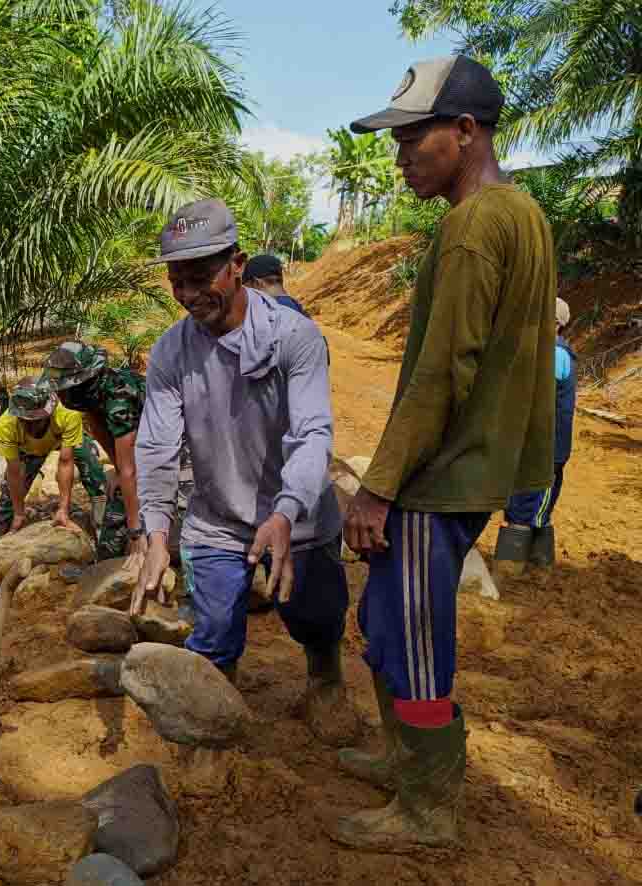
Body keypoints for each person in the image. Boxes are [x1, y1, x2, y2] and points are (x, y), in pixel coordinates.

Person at [333, 55, 557, 850]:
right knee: (387, 618)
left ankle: (428, 808)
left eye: (411, 139)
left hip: (439, 478)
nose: (399, 159)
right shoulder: (522, 210)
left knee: (416, 642)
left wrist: (376, 488)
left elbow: (439, 376)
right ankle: (403, 760)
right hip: (474, 466)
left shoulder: (470, 229)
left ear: (464, 132)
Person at [133, 198, 356, 744]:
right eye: (176, 281)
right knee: (212, 632)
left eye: (200, 277)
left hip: (296, 516)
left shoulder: (292, 336)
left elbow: (312, 435)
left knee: (316, 617)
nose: (188, 295)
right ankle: (214, 717)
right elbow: (157, 444)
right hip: (217, 517)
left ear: (238, 263)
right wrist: (155, 532)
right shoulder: (170, 352)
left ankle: (325, 680)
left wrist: (285, 511)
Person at [0, 378, 109, 559]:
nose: (32, 425)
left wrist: (63, 509)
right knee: (7, 498)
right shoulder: (6, 424)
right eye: (26, 420)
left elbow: (65, 461)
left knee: (92, 467)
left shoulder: (67, 412)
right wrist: (19, 512)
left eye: (37, 420)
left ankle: (103, 531)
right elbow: (14, 472)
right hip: (29, 451)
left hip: (63, 440)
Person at [42, 342, 146, 563]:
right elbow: (101, 431)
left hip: (174, 449)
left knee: (169, 512)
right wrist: (117, 470)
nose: (60, 395)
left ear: (82, 383)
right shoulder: (92, 397)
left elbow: (132, 471)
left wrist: (136, 532)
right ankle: (106, 563)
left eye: (63, 388)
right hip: (135, 451)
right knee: (112, 535)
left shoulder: (119, 398)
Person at [494, 297, 576, 577]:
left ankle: (509, 570)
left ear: (555, 325)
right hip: (543, 447)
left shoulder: (554, 355)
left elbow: (531, 396)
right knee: (537, 505)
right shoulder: (553, 352)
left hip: (546, 448)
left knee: (526, 505)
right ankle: (540, 563)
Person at [244, 254, 309, 316]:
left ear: (256, 283)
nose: (245, 293)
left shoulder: (268, 312)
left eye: (246, 288)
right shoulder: (295, 306)